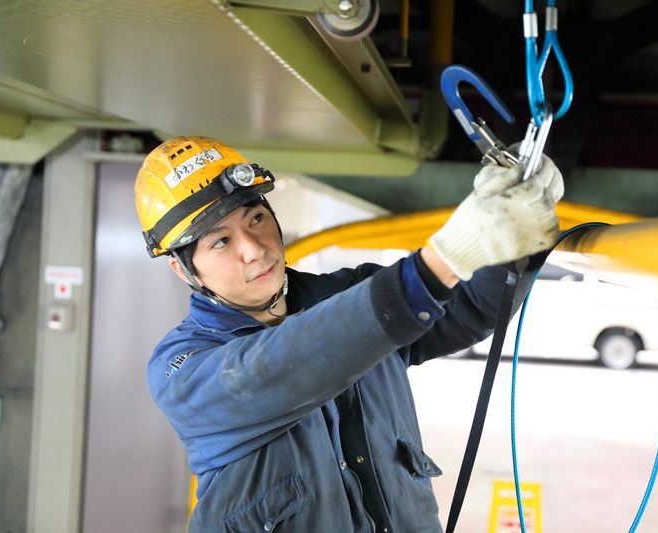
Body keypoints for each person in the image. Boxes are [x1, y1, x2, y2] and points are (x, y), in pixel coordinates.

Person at [134, 136, 563, 532]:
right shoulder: (181, 369)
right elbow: (276, 368)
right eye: (221, 242)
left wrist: (520, 234)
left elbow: (469, 307)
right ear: (184, 270)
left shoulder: (349, 292)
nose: (254, 248)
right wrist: (442, 261)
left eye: (257, 218)